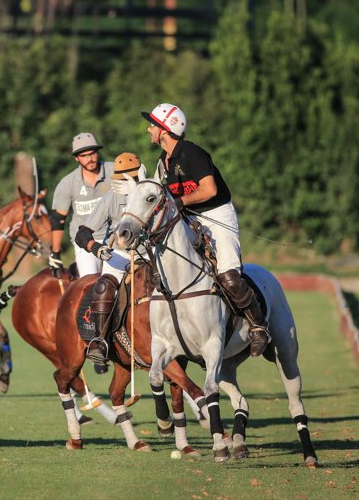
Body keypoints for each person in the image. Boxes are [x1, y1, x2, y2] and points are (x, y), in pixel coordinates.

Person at [140, 102, 270, 356]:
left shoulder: (192, 153)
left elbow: (209, 190)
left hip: (217, 214)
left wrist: (180, 202)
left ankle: (258, 327)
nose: (149, 129)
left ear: (164, 129)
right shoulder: (163, 162)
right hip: (190, 218)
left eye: (153, 124)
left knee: (228, 276)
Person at [73, 152, 146, 374]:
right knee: (103, 287)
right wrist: (97, 248)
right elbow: (82, 233)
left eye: (130, 178)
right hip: (120, 256)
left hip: (149, 255)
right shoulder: (111, 198)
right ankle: (100, 341)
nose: (125, 183)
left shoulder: (151, 191)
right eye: (122, 178)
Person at [48, 132, 115, 279]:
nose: (90, 159)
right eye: (84, 156)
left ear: (98, 152)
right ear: (76, 158)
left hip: (114, 238)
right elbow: (58, 220)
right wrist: (55, 252)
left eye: (92, 153)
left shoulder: (115, 172)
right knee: (90, 282)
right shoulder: (68, 183)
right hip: (85, 242)